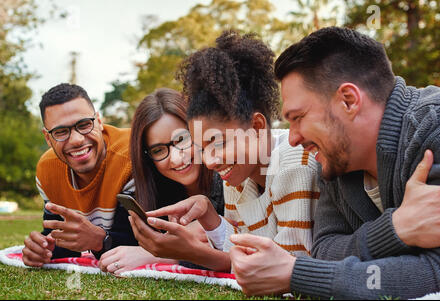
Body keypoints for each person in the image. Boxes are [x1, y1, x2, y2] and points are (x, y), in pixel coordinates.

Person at [228, 26, 440, 299]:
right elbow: (325, 250)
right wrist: (396, 229)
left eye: (298, 117)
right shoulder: (334, 159)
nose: (293, 138)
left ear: (348, 101)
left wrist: (297, 275)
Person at [145, 30, 320, 260]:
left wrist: (199, 255)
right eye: (202, 147)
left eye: (218, 142)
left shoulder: (292, 164)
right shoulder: (238, 173)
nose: (209, 161)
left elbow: (289, 270)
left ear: (257, 126)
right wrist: (210, 217)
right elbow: (239, 245)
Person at [101, 88, 229, 274]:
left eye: (182, 139)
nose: (177, 159)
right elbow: (120, 250)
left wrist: (163, 253)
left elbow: (244, 257)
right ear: (147, 157)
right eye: (159, 150)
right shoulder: (149, 190)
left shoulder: (230, 178)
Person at [22, 83, 138, 267]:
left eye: (84, 125)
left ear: (99, 122)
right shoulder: (47, 169)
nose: (76, 140)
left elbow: (144, 241)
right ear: (48, 138)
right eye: (60, 132)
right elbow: (62, 234)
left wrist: (100, 240)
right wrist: (44, 248)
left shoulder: (131, 157)